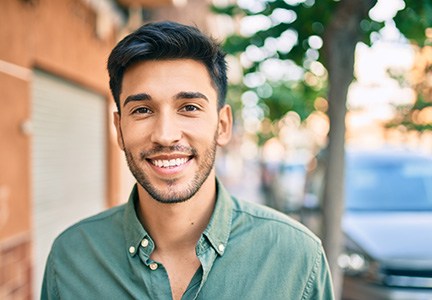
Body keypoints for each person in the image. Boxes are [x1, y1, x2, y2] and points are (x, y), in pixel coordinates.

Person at [41, 21, 334, 300]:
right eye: (142, 110)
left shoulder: (297, 257)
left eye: (189, 107)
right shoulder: (71, 257)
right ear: (119, 129)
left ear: (222, 125)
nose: (166, 135)